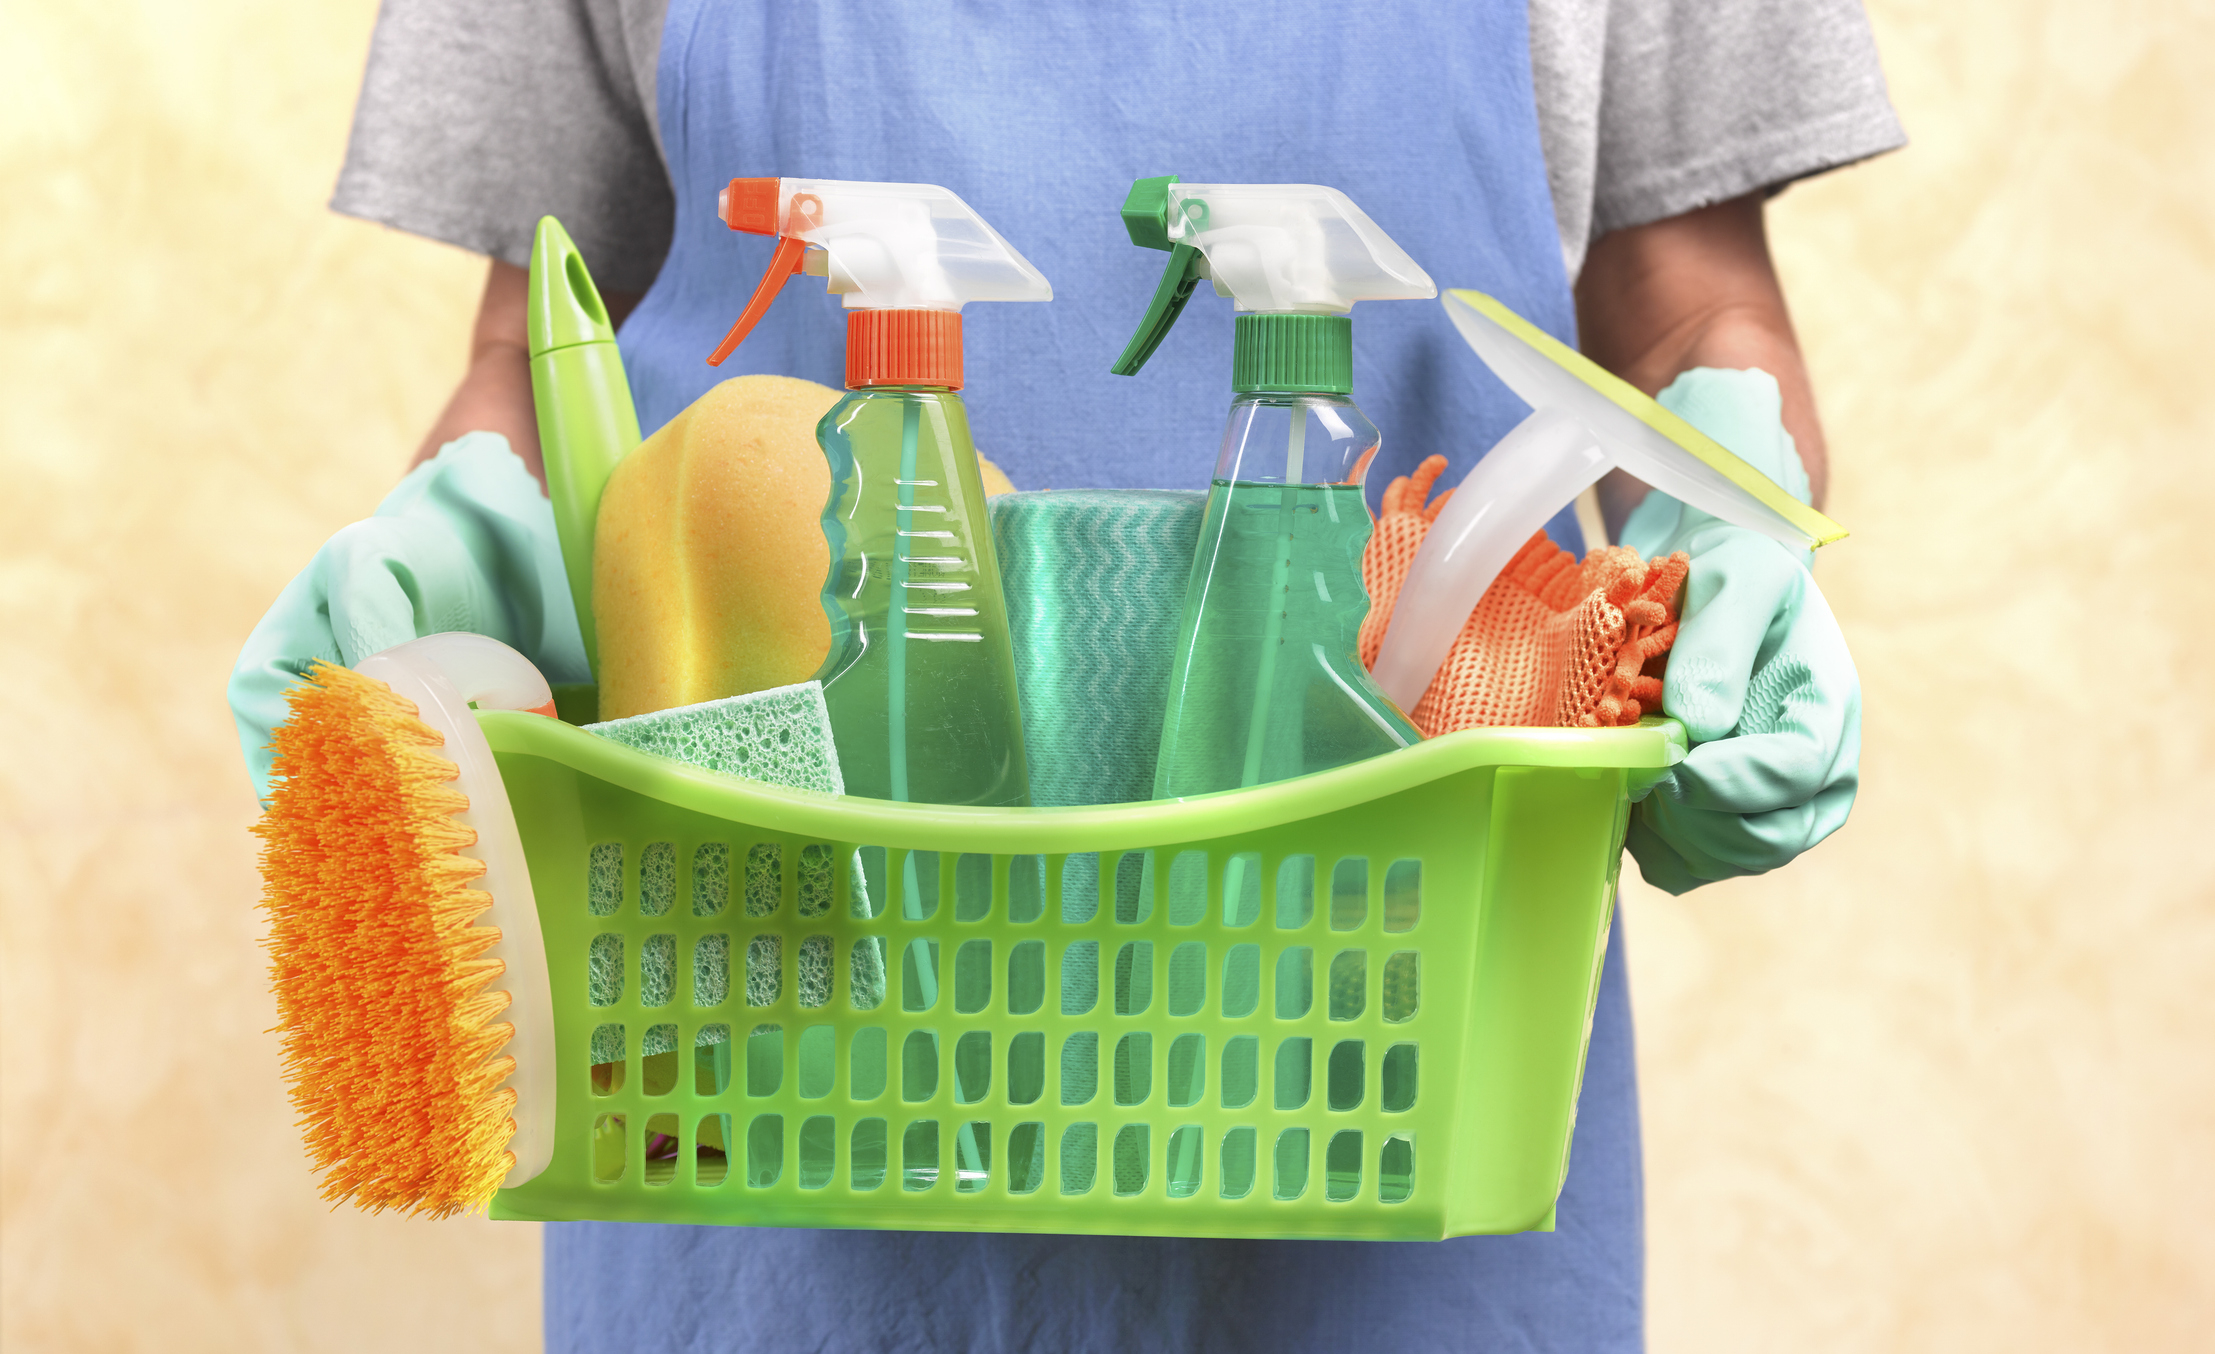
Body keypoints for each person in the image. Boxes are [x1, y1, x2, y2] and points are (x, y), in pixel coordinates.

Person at [233, 1, 1894, 1347]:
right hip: (756, 1091)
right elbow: (530, 344)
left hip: (1382, 1069)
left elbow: (1689, 312)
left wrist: (1718, 545)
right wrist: (471, 556)